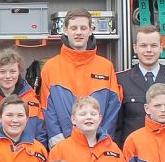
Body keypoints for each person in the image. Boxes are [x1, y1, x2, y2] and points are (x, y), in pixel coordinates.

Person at [39, 9, 121, 148]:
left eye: (83, 28)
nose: (78, 32)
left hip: (98, 146)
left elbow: (113, 108)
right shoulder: (51, 67)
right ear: (65, 30)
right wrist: (60, 145)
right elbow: (47, 109)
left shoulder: (106, 67)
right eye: (73, 28)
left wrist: (102, 139)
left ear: (91, 30)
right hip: (63, 147)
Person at [115, 25, 165, 145]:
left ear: (161, 48)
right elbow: (117, 126)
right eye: (143, 46)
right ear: (135, 48)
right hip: (133, 154)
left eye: (154, 45)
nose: (148, 50)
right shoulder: (120, 80)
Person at [0, 48, 46, 144]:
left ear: (19, 72)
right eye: (2, 71)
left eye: (12, 71)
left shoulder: (33, 101)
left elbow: (41, 135)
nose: (8, 76)